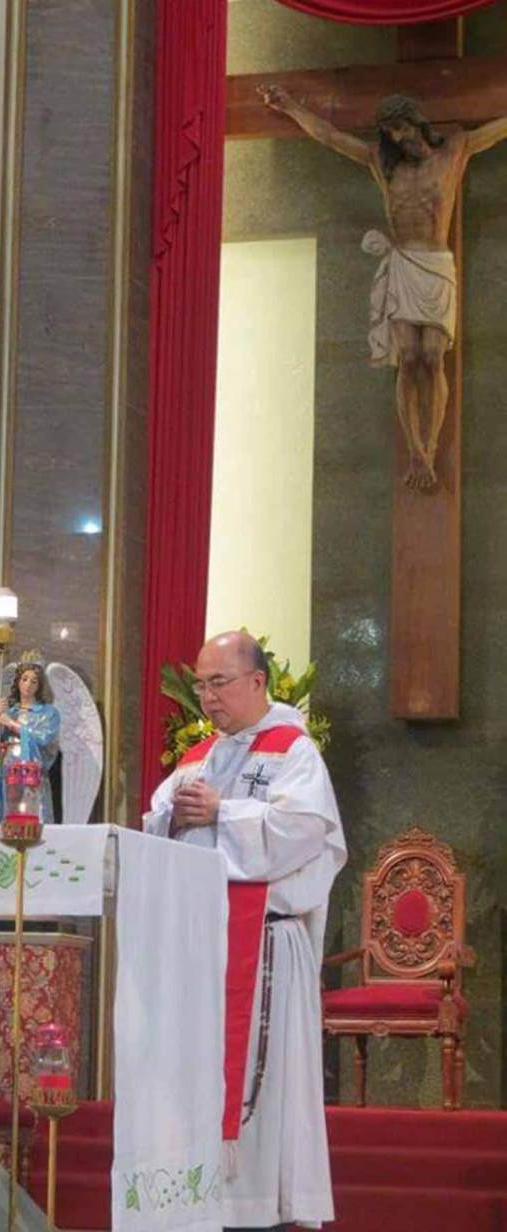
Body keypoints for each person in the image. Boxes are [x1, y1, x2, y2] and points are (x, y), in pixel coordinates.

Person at [144, 631, 346, 1231]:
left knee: (266, 1084)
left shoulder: (294, 752)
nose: (207, 697)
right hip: (202, 947)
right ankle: (203, 1200)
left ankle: (262, 1209)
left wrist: (222, 813)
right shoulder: (197, 758)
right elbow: (156, 827)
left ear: (258, 682)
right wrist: (172, 820)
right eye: (201, 685)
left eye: (219, 683)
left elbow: (305, 831)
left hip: (266, 949)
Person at [259, 85, 507, 492]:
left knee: (432, 356)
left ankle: (431, 444)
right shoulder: (382, 163)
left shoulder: (453, 152)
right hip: (403, 264)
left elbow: (497, 131)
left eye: (400, 128)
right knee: (408, 357)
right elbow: (330, 137)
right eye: (390, 131)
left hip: (436, 264)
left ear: (417, 123)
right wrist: (289, 107)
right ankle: (416, 452)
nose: (396, 137)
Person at [0, 651, 60, 823]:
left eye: (34, 681)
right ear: (18, 682)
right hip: (8, 775)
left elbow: (44, 740)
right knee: (9, 822)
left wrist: (12, 725)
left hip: (32, 777)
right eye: (24, 679)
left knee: (32, 820)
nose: (28, 685)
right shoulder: (9, 712)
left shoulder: (48, 713)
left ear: (40, 685)